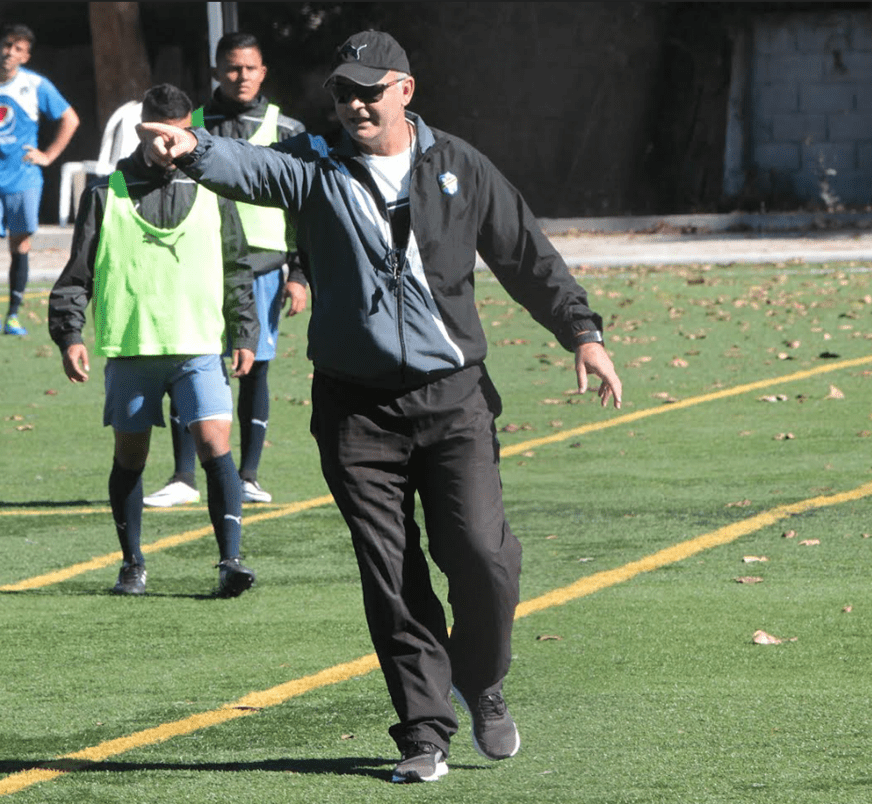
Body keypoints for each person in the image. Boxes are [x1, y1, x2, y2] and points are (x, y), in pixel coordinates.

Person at [138, 30, 623, 784]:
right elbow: (247, 167)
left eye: (371, 89)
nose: (356, 103)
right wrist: (191, 149)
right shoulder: (311, 165)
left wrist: (582, 333)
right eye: (342, 91)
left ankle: (482, 680)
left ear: (406, 90)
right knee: (392, 576)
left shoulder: (459, 165)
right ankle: (424, 733)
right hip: (357, 411)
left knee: (485, 559)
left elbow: (526, 254)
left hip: (454, 398)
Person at [48, 84, 260, 598]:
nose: (166, 143)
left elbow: (236, 266)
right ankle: (132, 563)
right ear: (141, 128)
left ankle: (231, 560)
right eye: (156, 132)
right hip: (132, 347)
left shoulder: (214, 189)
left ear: (190, 129)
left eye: (178, 132)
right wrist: (69, 333)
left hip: (197, 346)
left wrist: (244, 330)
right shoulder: (105, 192)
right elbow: (77, 274)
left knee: (214, 445)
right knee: (131, 458)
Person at [143, 32, 309, 509]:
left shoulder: (286, 129)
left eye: (250, 68)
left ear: (263, 72)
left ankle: (249, 474)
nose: (241, 77)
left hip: (263, 267)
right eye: (232, 68)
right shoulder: (189, 126)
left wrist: (299, 274)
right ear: (216, 71)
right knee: (189, 367)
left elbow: (303, 205)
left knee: (254, 370)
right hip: (197, 268)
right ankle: (182, 476)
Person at [0, 23, 79, 338]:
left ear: (26, 56)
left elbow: (70, 118)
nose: (10, 52)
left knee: (19, 245)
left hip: (24, 179)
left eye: (18, 49)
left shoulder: (36, 86)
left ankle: (13, 316)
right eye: (7, 45)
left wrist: (48, 155)